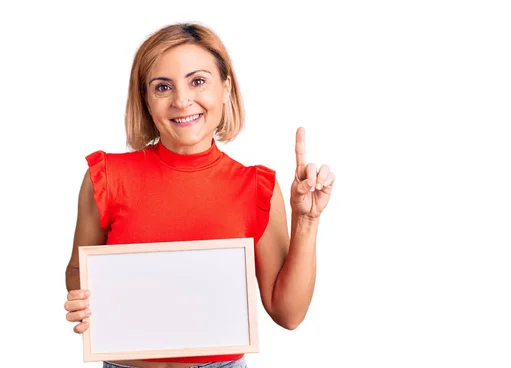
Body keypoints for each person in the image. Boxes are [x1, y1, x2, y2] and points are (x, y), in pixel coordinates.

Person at [63, 23, 334, 368]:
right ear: (145, 99)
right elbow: (77, 269)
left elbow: (288, 314)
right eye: (163, 87)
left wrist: (308, 220)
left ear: (225, 88)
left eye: (198, 81)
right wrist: (82, 298)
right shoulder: (106, 177)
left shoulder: (255, 186)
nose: (181, 100)